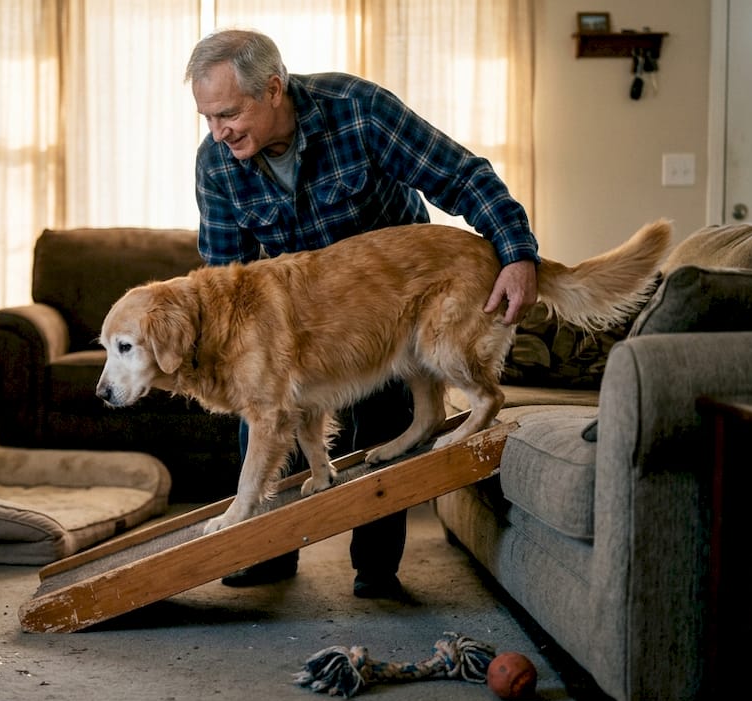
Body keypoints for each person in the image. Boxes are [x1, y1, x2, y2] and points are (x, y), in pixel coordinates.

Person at [185, 29, 540, 599]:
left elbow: (461, 175)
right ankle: (264, 550)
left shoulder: (358, 110)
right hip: (301, 315)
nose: (217, 131)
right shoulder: (216, 164)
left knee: (382, 416)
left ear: (273, 89)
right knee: (260, 404)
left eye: (228, 113)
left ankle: (376, 567)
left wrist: (518, 253)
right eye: (207, 118)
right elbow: (226, 274)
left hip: (392, 296)